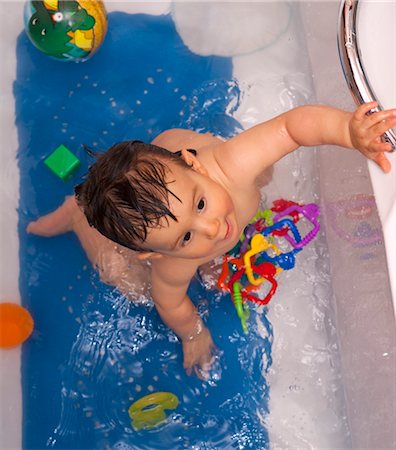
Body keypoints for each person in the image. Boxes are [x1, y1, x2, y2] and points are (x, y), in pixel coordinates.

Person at [27, 102, 395, 377]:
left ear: (196, 165)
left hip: (180, 152)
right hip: (171, 169)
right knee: (121, 279)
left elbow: (292, 128)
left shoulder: (232, 163)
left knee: (261, 168)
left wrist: (347, 132)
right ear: (152, 254)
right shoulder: (172, 263)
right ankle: (78, 217)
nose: (214, 228)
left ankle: (157, 208)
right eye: (186, 237)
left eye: (201, 204)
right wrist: (193, 335)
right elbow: (171, 305)